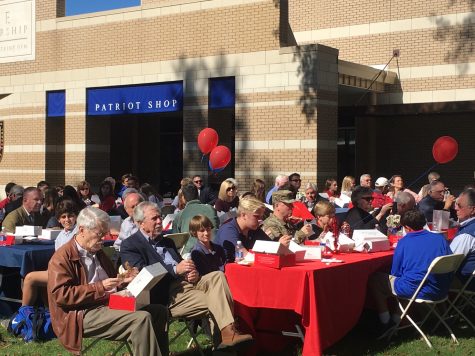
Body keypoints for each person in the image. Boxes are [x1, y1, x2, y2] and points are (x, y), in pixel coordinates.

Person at [119, 202, 253, 349]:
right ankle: (226, 342)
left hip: (188, 286)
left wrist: (192, 273)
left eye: (160, 217)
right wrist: (176, 270)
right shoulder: (130, 245)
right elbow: (143, 275)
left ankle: (227, 335)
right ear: (140, 223)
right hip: (167, 296)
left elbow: (182, 265)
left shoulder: (167, 241)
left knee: (217, 276)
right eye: (154, 218)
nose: (159, 221)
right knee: (221, 300)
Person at [48, 207, 168, 355]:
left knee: (158, 311)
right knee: (141, 319)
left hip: (109, 303)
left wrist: (124, 280)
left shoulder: (97, 251)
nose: (103, 239)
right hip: (81, 313)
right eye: (99, 234)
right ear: (82, 230)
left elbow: (110, 280)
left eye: (105, 234)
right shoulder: (62, 257)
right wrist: (100, 287)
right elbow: (61, 295)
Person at [368, 209, 453, 337]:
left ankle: (385, 323)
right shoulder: (440, 239)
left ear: (407, 227)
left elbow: (395, 272)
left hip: (417, 290)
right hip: (441, 289)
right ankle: (395, 320)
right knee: (411, 279)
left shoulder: (404, 242)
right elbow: (450, 261)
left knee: (376, 279)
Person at [21, 199, 80, 307]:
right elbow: (56, 257)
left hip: (71, 272)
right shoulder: (61, 234)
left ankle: (23, 313)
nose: (67, 220)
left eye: (70, 216)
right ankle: (49, 312)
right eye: (63, 217)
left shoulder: (78, 233)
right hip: (61, 269)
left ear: (76, 216)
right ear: (58, 219)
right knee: (43, 283)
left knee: (30, 278)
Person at [215, 196, 278, 262]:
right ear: (243, 215)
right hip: (225, 270)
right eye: (256, 216)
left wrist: (279, 247)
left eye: (261, 217)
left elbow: (272, 248)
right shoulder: (228, 230)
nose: (260, 220)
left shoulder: (254, 229)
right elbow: (246, 256)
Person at [172, 183, 220, 254]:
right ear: (198, 195)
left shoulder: (179, 215)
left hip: (190, 254)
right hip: (212, 250)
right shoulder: (210, 209)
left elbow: (176, 240)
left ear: (183, 198)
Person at [450, 189, 475, 290]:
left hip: (465, 282)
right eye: (455, 204)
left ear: (473, 210)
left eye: (459, 205)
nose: (455, 208)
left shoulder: (466, 235)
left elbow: (449, 265)